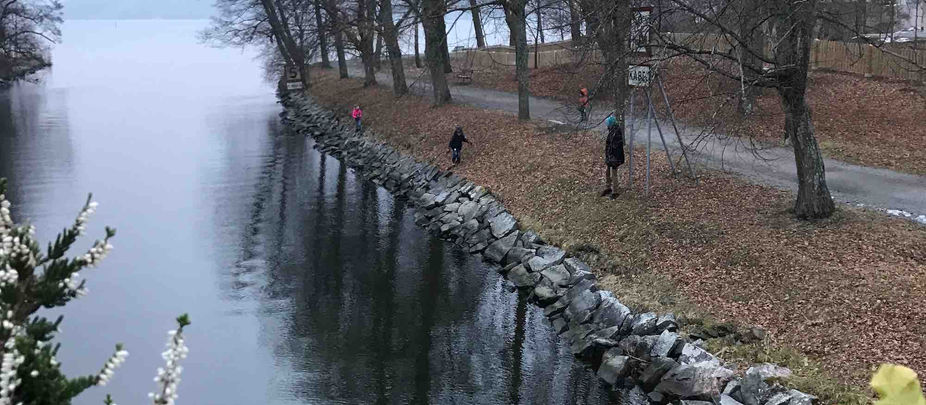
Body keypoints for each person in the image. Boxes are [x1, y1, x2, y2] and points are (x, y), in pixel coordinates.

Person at [601, 113, 625, 198]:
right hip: (610, 157)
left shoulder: (616, 132)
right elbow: (609, 145)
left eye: (608, 124)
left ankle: (615, 192)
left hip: (615, 158)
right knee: (607, 172)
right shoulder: (612, 130)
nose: (607, 126)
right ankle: (608, 188)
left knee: (614, 174)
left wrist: (613, 159)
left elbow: (616, 147)